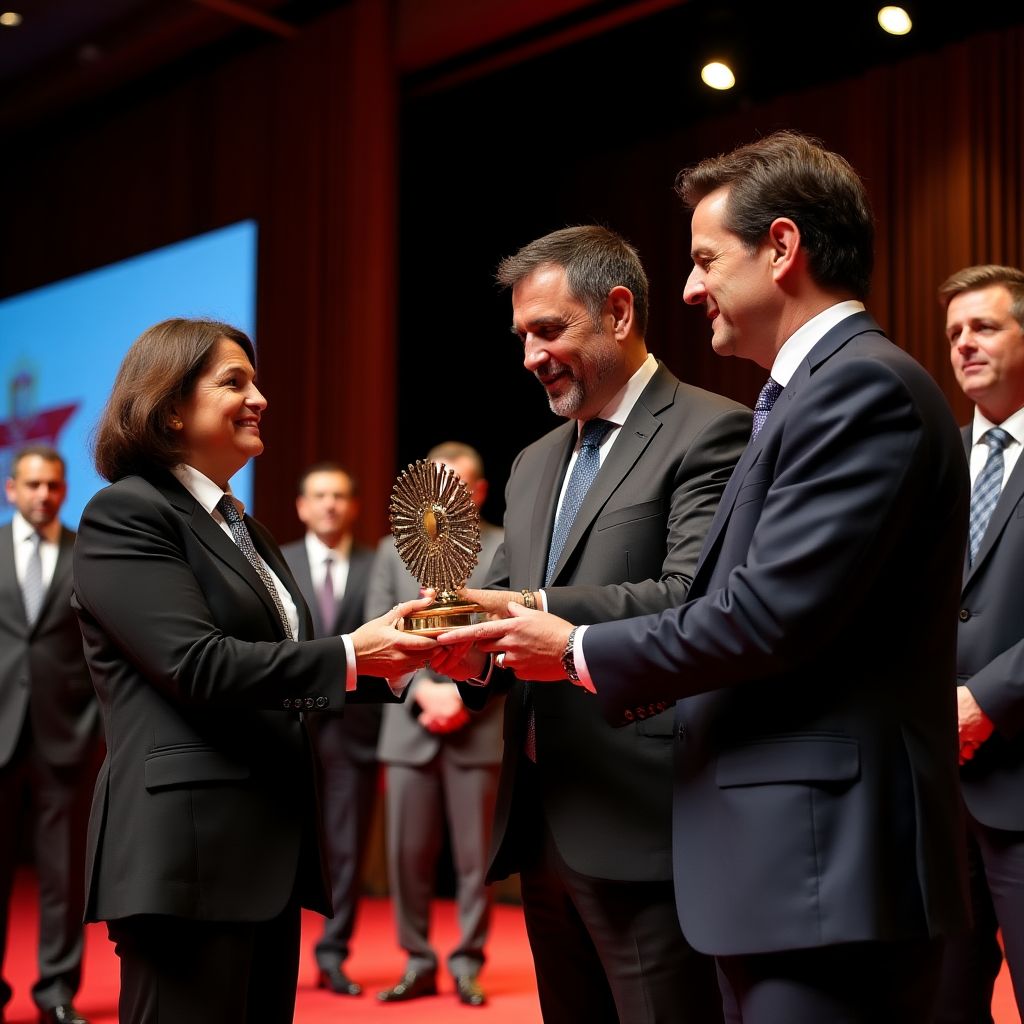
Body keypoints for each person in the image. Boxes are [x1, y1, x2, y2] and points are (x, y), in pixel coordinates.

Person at [439, 132, 972, 1023]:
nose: (687, 289)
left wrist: (567, 643)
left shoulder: (857, 390)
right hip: (779, 866)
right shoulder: (808, 395)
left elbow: (757, 616)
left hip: (822, 867)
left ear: (783, 249)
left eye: (703, 260)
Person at [70, 317, 437, 1024]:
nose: (260, 397)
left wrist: (399, 661)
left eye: (257, 381)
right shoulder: (127, 513)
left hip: (263, 855)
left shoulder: (244, 527)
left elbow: (280, 673)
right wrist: (354, 653)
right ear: (170, 406)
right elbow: (195, 665)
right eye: (234, 382)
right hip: (188, 860)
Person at [439, 225, 752, 1024]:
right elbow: (504, 600)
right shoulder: (534, 460)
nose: (530, 356)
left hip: (648, 817)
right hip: (542, 819)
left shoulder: (714, 428)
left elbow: (694, 599)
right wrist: (457, 648)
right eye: (521, 338)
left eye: (549, 330)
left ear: (618, 312)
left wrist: (533, 610)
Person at [370, 441, 504, 1008]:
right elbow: (374, 628)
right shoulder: (390, 551)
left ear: (476, 492)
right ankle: (417, 961)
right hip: (410, 727)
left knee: (477, 861)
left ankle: (468, 962)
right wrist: (427, 692)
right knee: (406, 857)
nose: (442, 498)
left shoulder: (505, 548)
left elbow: (508, 636)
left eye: (455, 487)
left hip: (479, 725)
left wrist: (459, 694)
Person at [934, 264, 1024, 1024]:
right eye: (955, 332)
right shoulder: (936, 456)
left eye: (985, 326)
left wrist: (986, 699)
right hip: (936, 789)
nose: (965, 344)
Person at [0, 446, 102, 1024]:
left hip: (66, 737)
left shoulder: (84, 554)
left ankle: (56, 994)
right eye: (33, 485)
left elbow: (99, 649)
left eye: (54, 486)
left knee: (65, 876)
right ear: (11, 489)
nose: (44, 495)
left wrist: (91, 725)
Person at [280, 462, 379, 997]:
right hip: (288, 722)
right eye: (319, 495)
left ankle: (334, 952)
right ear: (302, 506)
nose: (330, 505)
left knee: (346, 845)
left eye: (340, 496)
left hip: (355, 727)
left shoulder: (375, 562)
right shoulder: (278, 561)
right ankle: (280, 950)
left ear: (353, 505)